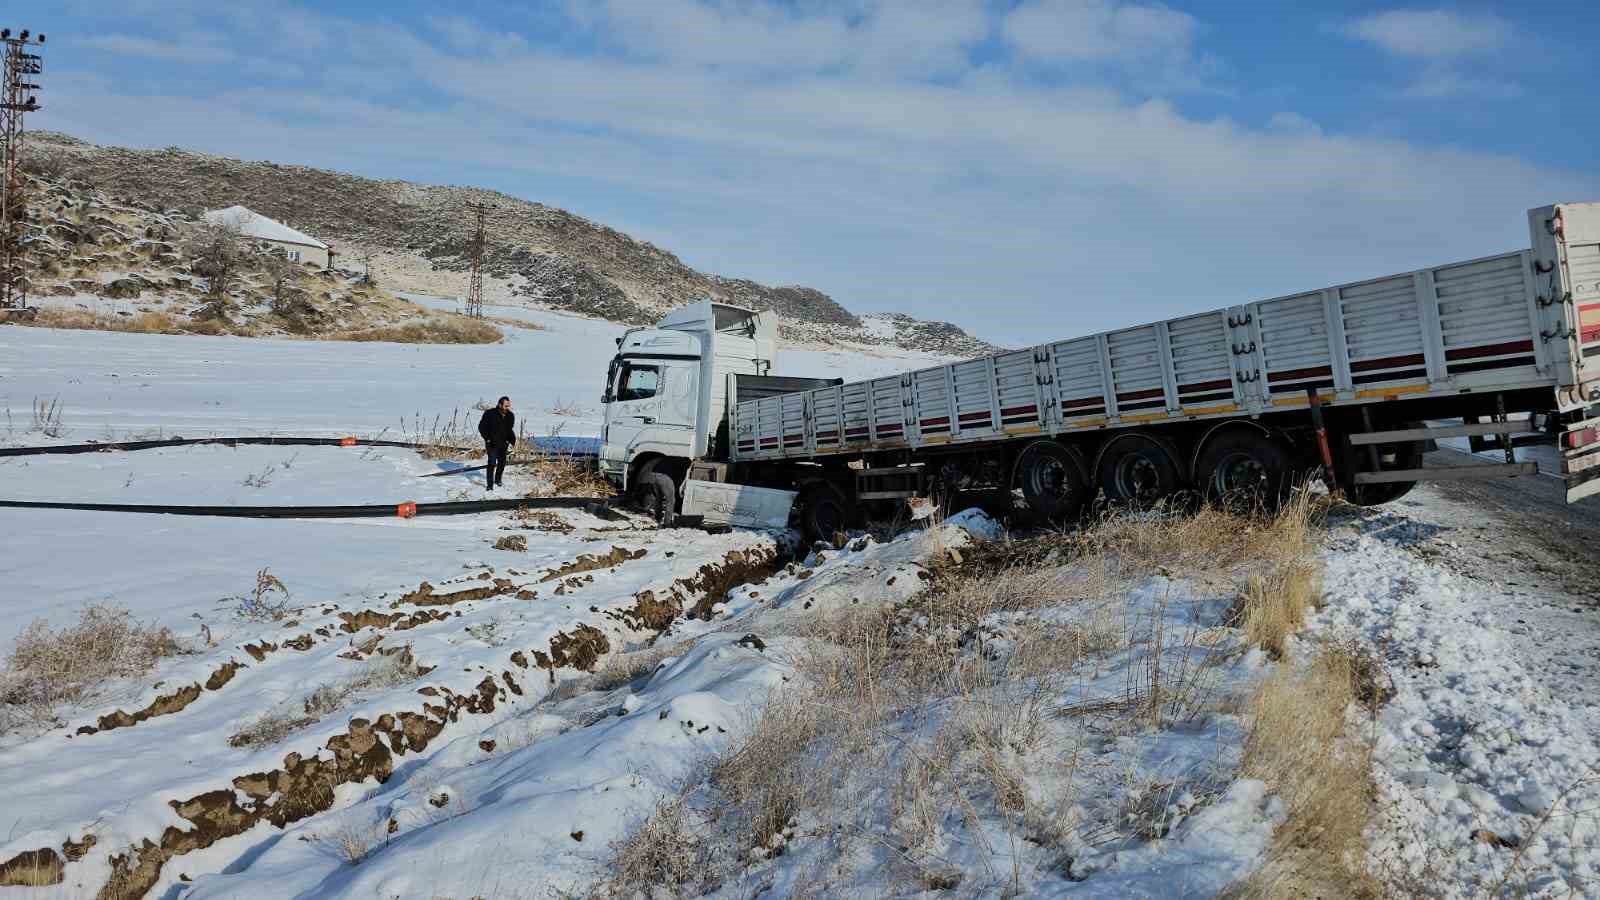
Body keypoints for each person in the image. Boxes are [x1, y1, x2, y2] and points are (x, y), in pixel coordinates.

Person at [477, 396, 516, 490]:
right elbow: (481, 427)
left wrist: (511, 440)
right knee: (492, 463)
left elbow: (509, 429)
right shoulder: (490, 413)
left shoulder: (510, 415)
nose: (508, 408)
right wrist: (487, 439)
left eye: (509, 406)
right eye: (506, 406)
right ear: (500, 404)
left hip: (503, 443)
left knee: (502, 463)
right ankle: (489, 485)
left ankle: (498, 480)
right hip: (492, 444)